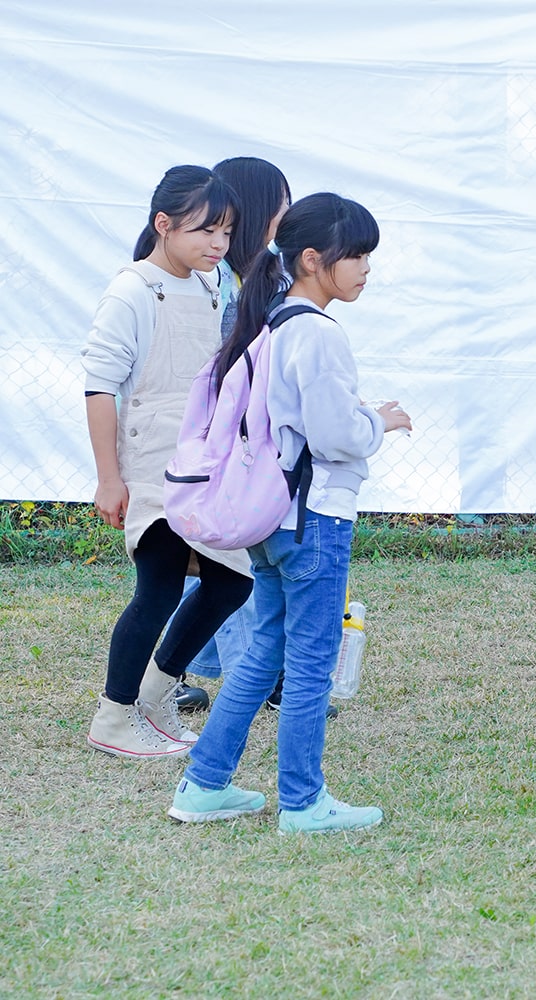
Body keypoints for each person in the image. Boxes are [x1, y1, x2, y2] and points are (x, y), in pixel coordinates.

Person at [165, 192, 412, 833]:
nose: (365, 268)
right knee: (310, 660)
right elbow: (337, 436)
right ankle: (303, 802)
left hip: (271, 518)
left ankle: (203, 785)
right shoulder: (318, 334)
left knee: (265, 651)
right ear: (312, 259)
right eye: (355, 255)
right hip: (316, 519)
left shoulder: (270, 322)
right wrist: (379, 422)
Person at [81, 165, 253, 760]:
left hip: (206, 456)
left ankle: (152, 695)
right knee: (157, 587)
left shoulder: (212, 285)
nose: (218, 245)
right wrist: (109, 478)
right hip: (153, 457)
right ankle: (112, 718)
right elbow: (100, 387)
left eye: (227, 233)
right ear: (164, 224)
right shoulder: (131, 290)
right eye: (208, 231)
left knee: (231, 578)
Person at [168, 156, 294, 712]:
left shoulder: (257, 276)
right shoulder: (220, 284)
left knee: (211, 554)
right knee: (222, 555)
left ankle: (186, 669)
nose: (287, 219)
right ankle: (256, 677)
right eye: (282, 207)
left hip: (230, 442)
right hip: (214, 443)